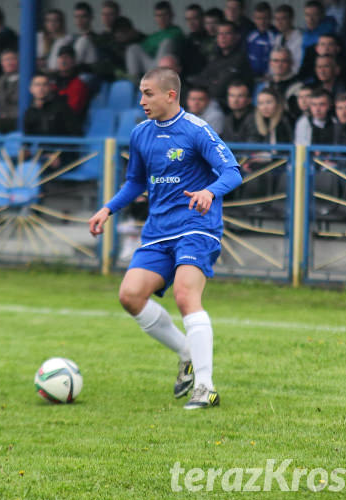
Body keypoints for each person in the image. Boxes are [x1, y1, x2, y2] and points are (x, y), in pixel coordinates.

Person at [88, 68, 242, 410]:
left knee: (186, 295)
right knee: (130, 295)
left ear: (170, 95)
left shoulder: (197, 129)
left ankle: (205, 388)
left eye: (148, 93)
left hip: (196, 226)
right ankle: (186, 351)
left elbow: (232, 171)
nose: (142, 101)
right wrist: (107, 209)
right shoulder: (141, 134)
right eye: (141, 94)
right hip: (158, 230)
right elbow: (135, 182)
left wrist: (208, 191)